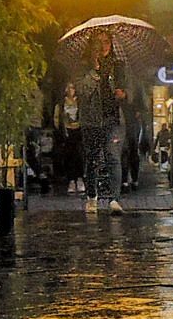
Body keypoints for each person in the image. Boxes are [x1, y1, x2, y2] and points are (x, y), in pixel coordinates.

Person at [75, 31, 128, 214]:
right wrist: (95, 71)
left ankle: (114, 199)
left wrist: (124, 93)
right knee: (92, 159)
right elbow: (82, 91)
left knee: (113, 157)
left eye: (107, 42)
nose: (104, 46)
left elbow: (128, 87)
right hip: (91, 121)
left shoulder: (117, 65)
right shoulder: (84, 67)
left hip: (113, 118)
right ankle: (92, 196)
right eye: (99, 42)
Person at [53, 82, 85, 195]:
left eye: (72, 88)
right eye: (68, 88)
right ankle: (71, 180)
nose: (70, 90)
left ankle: (80, 179)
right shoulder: (61, 104)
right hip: (67, 131)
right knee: (69, 156)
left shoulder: (80, 102)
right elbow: (56, 118)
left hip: (78, 131)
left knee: (79, 155)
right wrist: (59, 129)